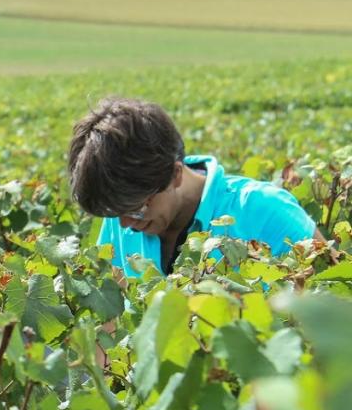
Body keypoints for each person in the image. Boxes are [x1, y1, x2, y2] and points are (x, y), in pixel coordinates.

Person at [68, 97, 318, 277]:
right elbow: (110, 330)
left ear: (175, 174)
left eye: (136, 209)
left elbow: (336, 303)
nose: (124, 224)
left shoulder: (265, 210)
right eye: (115, 213)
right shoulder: (121, 213)